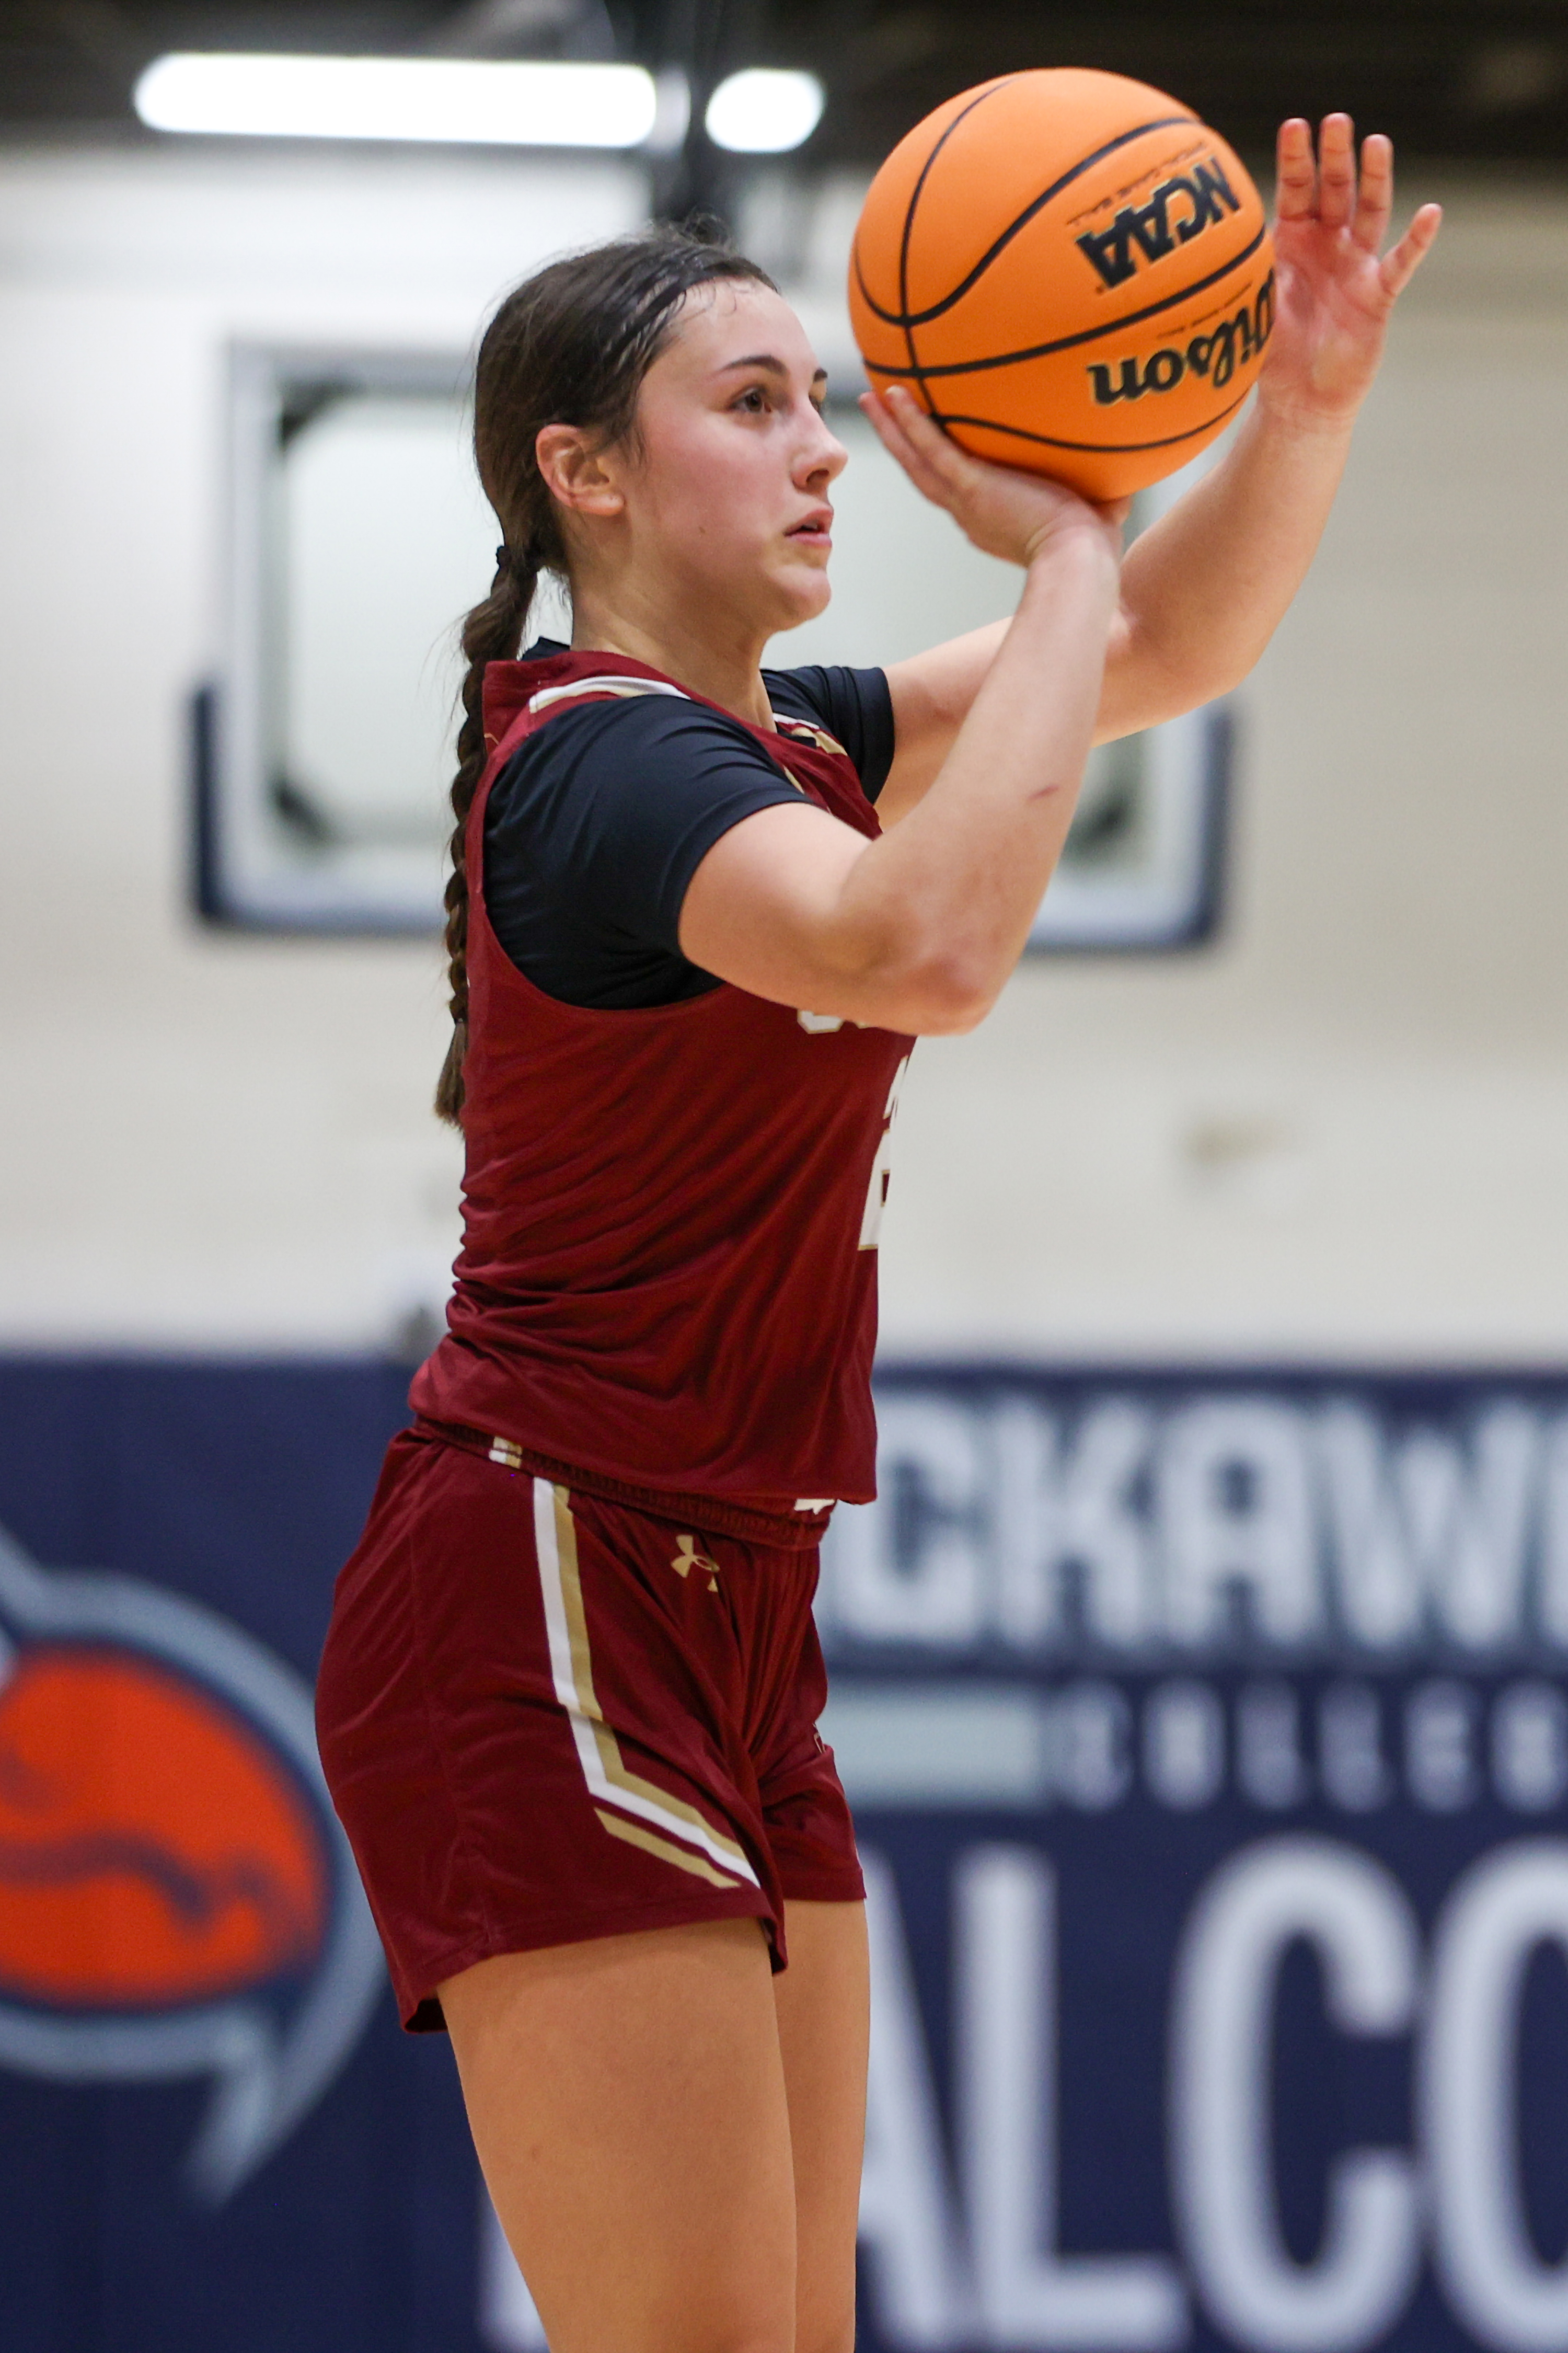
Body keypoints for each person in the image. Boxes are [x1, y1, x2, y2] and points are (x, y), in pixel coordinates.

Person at [316, 114, 1437, 2353]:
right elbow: (928, 945)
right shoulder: (607, 766)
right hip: (551, 1578)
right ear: (588, 480)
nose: (822, 446)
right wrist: (1058, 544)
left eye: (821, 395)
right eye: (753, 406)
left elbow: (1155, 654)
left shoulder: (775, 737)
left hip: (735, 1590)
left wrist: (1290, 402)